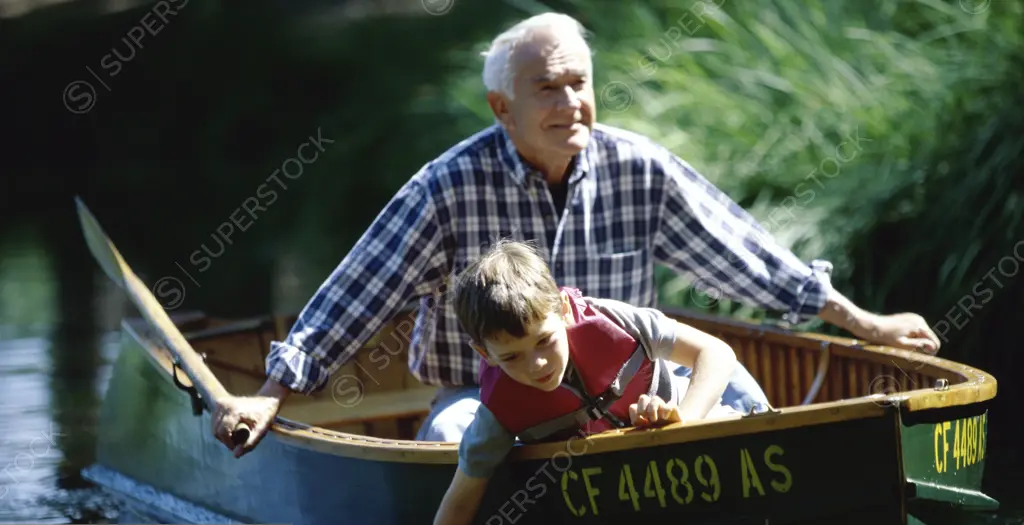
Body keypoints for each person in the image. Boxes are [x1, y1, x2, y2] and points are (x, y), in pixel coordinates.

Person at [210, 11, 940, 457]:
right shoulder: (445, 187)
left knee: (751, 413)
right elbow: (359, 288)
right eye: (548, 88)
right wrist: (274, 392)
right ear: (502, 106)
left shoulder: (639, 168)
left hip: (635, 391)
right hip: (486, 394)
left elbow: (740, 254)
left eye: (580, 83)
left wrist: (861, 322)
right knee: (449, 446)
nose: (572, 103)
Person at [381, 239, 741, 525]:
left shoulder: (619, 321)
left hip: (681, 412)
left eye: (544, 341)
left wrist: (683, 422)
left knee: (741, 394)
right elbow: (460, 501)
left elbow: (716, 352)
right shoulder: (497, 415)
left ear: (565, 312)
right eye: (511, 357)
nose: (536, 365)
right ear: (484, 353)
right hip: (618, 491)